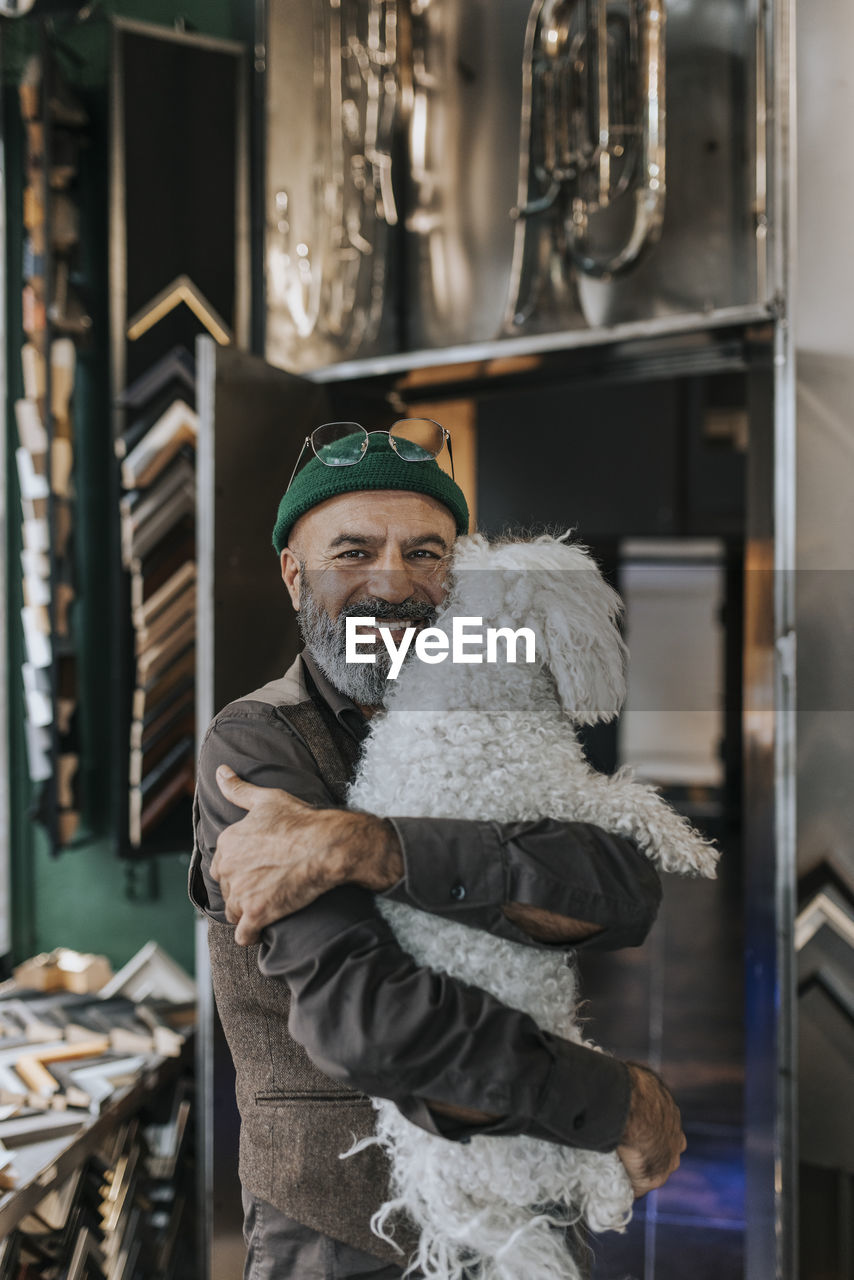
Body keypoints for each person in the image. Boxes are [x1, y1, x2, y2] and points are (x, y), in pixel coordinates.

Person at [189, 425, 686, 1280]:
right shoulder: (258, 741)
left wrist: (370, 847)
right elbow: (369, 1021)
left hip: (526, 1207)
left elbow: (621, 890)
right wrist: (618, 1102)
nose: (393, 583)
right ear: (292, 573)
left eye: (426, 553)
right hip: (351, 1236)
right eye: (353, 551)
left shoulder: (502, 699)